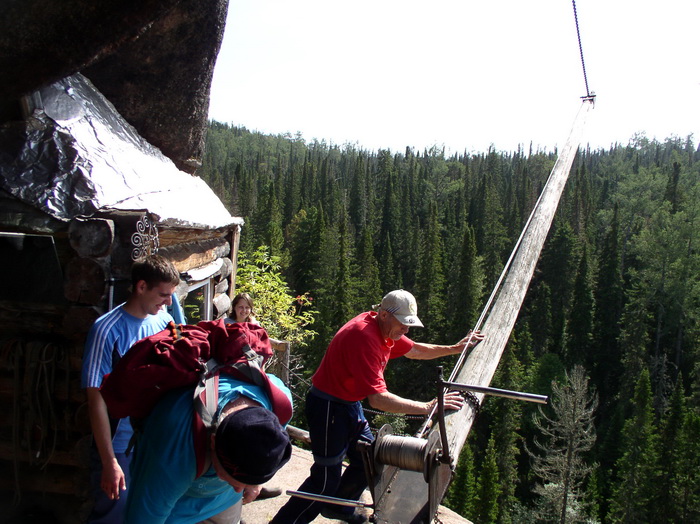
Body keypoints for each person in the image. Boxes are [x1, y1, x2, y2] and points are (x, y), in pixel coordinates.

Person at [271, 289, 484, 524]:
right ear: (384, 314)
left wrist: (455, 348)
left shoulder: (383, 329)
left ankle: (339, 507)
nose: (406, 329)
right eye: (403, 323)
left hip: (347, 404)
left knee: (368, 459)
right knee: (324, 480)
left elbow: (413, 350)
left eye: (408, 324)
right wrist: (427, 407)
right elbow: (378, 399)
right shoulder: (365, 338)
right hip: (328, 408)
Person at [81, 254, 181, 523]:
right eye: (163, 294)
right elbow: (95, 399)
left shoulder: (163, 321)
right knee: (113, 512)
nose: (169, 302)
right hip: (120, 445)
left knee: (148, 510)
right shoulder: (106, 330)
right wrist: (109, 461)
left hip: (154, 440)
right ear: (141, 287)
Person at [124, 374, 293, 523]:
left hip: (220, 500)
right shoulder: (176, 449)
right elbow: (144, 517)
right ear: (213, 442)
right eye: (228, 477)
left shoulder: (278, 401)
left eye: (243, 483)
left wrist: (254, 483)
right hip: (179, 505)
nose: (238, 491)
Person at [224, 292, 284, 501]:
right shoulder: (226, 324)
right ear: (234, 307)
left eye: (247, 307)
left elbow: (264, 349)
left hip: (254, 373)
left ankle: (256, 479)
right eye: (241, 307)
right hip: (234, 372)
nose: (244, 311)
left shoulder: (255, 325)